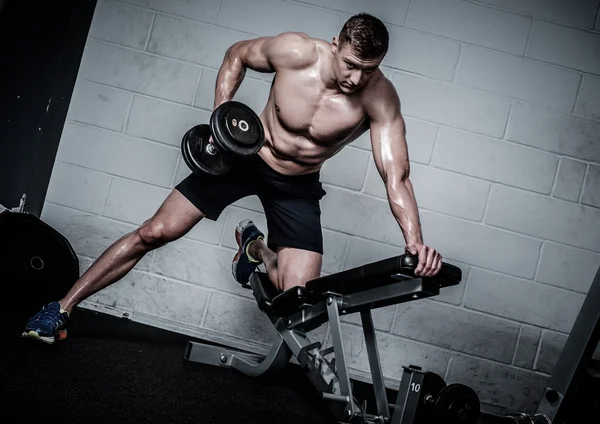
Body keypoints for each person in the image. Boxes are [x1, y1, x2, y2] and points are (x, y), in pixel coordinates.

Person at [23, 13, 442, 344]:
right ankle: (61, 307)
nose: (356, 78)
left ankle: (254, 249)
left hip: (297, 185)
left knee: (297, 300)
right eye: (351, 64)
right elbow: (237, 55)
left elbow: (396, 174)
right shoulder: (295, 52)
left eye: (368, 70)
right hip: (245, 158)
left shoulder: (379, 97)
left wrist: (414, 240)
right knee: (154, 232)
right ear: (336, 45)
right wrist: (222, 122)